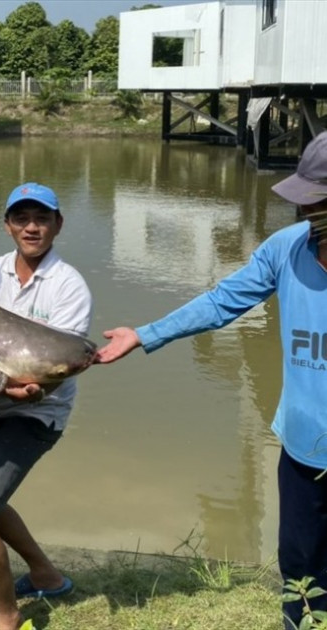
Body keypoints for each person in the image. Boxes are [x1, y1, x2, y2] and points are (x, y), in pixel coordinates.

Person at [95, 130, 327, 630]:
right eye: (306, 205)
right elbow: (223, 302)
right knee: (300, 570)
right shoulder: (287, 249)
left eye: (320, 205)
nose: (309, 217)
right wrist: (146, 334)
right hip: (303, 446)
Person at [0, 182, 93, 630]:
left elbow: (65, 363)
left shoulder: (69, 286)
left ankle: (7, 615)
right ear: (8, 225)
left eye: (42, 218)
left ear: (57, 224)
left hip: (35, 415)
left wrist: (34, 391)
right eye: (22, 219)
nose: (32, 228)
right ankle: (46, 575)